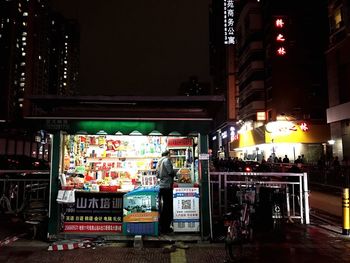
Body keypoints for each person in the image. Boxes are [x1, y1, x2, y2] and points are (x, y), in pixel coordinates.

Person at [156, 150, 175, 234]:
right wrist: (176, 173)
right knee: (168, 207)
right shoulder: (166, 160)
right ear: (167, 155)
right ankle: (165, 228)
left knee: (164, 207)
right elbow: (170, 172)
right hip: (167, 186)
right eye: (170, 155)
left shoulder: (159, 162)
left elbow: (157, 175)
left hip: (162, 186)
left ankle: (163, 227)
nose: (170, 156)